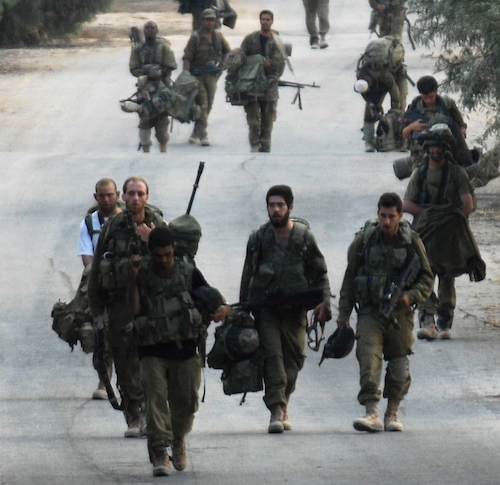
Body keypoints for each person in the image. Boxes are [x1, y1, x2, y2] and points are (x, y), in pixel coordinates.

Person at [130, 226, 231, 476]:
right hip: (152, 349)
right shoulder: (142, 274)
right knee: (154, 403)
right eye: (158, 255)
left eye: (167, 254)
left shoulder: (187, 272)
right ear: (150, 253)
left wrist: (221, 309)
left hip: (185, 349)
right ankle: (160, 451)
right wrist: (133, 279)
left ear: (174, 250)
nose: (163, 260)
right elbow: (134, 310)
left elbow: (211, 297)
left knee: (185, 405)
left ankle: (178, 439)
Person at [336, 192, 433, 432]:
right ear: (377, 214)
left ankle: (392, 412)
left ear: (400, 215)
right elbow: (350, 277)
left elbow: (427, 278)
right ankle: (371, 412)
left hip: (400, 315)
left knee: (399, 367)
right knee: (368, 358)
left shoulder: (411, 241)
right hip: (370, 311)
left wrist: (409, 296)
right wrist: (343, 315)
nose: (386, 222)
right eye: (382, 216)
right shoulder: (365, 240)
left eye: (391, 217)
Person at [239, 185, 331, 433]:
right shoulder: (258, 239)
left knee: (295, 360)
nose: (275, 210)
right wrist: (242, 312)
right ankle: (277, 410)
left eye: (280, 205)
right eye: (271, 205)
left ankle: (284, 401)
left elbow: (320, 272)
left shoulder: (303, 238)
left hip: (295, 311)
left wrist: (324, 303)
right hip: (267, 311)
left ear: (290, 207)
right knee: (273, 359)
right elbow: (248, 275)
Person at [88, 176, 164, 437]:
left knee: (153, 361)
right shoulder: (113, 227)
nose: (135, 198)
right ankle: (134, 414)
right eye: (130, 194)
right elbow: (97, 270)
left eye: (140, 193)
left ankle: (152, 413)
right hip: (120, 303)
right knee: (125, 361)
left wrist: (151, 240)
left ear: (147, 196)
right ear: (125, 196)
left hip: (154, 305)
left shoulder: (158, 225)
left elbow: (177, 263)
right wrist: (97, 314)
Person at [402, 126, 480, 340]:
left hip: (449, 234)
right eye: (432, 146)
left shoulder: (456, 173)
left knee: (447, 275)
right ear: (427, 148)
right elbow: (407, 204)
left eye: (439, 146)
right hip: (425, 231)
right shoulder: (421, 173)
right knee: (425, 274)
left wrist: (449, 218)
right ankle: (427, 321)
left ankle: (444, 322)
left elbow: (468, 205)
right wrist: (429, 215)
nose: (436, 150)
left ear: (446, 149)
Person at [77, 178, 122, 400]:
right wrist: (97, 277)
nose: (106, 199)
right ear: (96, 197)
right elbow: (86, 256)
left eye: (110, 195)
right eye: (101, 196)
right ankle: (104, 381)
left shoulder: (127, 220)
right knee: (98, 333)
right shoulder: (89, 223)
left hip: (126, 283)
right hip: (100, 285)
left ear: (118, 195)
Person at [400, 75, 473, 168]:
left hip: (446, 151)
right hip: (421, 153)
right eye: (425, 97)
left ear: (436, 92)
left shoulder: (447, 105)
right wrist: (412, 127)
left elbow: (461, 124)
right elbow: (403, 133)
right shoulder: (414, 107)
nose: (428, 100)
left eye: (431, 96)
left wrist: (461, 132)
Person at [240, 10, 287, 153]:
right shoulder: (251, 39)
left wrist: (271, 66)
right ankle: (254, 143)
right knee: (253, 118)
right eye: (263, 19)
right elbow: (241, 57)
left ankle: (265, 143)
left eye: (268, 19)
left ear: (272, 21)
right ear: (260, 21)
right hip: (252, 83)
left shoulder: (277, 41)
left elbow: (281, 61)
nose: (265, 22)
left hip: (270, 83)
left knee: (268, 117)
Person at [183, 8, 231, 147]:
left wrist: (222, 63)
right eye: (207, 19)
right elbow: (187, 58)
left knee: (208, 105)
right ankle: (203, 134)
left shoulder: (218, 36)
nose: (209, 22)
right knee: (203, 104)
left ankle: (195, 131)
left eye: (212, 20)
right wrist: (186, 77)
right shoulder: (196, 37)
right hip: (197, 75)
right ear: (202, 21)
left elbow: (227, 50)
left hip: (212, 76)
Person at [129, 20, 177, 153]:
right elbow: (133, 68)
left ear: (157, 30)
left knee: (162, 122)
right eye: (147, 28)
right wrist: (146, 73)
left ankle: (163, 147)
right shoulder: (138, 49)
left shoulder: (164, 47)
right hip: (145, 89)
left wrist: (160, 73)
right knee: (144, 118)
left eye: (152, 28)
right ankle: (146, 149)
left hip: (162, 89)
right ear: (144, 31)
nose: (150, 30)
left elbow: (171, 66)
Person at [355, 36, 407, 152]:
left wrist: (392, 113)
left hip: (397, 76)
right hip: (378, 83)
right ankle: (369, 140)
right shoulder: (361, 76)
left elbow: (395, 94)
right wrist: (375, 107)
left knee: (400, 107)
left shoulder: (385, 76)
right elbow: (367, 98)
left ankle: (401, 139)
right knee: (369, 110)